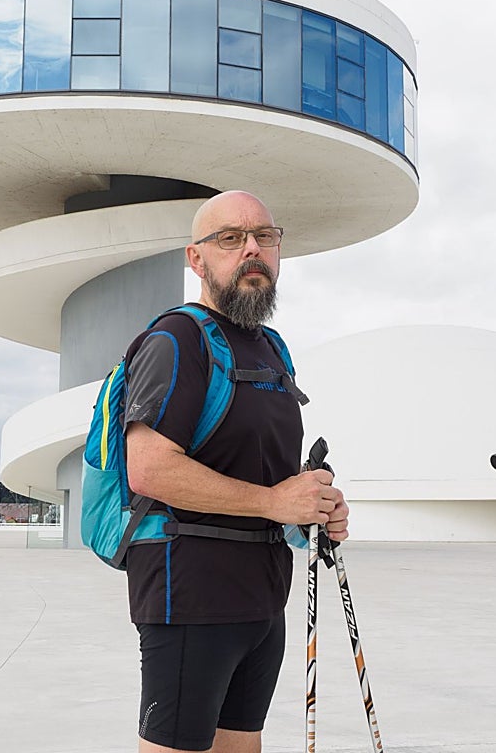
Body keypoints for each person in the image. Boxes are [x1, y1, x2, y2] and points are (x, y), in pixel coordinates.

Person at [123, 190, 349, 753]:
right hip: (191, 596)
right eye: (230, 238)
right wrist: (275, 503)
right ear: (196, 259)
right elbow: (148, 469)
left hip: (264, 599)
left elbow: (268, 478)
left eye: (264, 237)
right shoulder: (176, 339)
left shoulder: (271, 349)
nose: (252, 249)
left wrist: (312, 507)